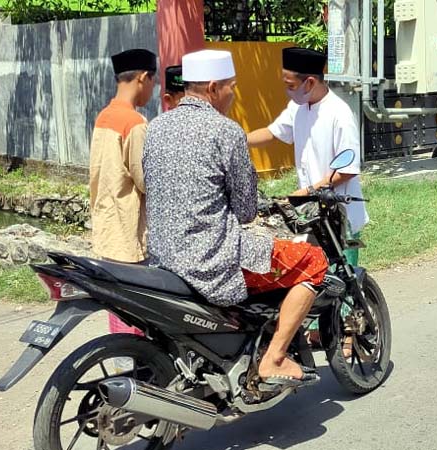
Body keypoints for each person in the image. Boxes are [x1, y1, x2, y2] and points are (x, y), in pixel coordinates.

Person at [143, 49, 328, 386]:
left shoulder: (156, 127)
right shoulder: (226, 132)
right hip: (211, 261)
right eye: (232, 87)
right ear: (214, 88)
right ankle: (274, 358)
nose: (233, 95)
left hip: (161, 258)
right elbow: (245, 211)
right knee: (313, 260)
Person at [247, 47, 368, 350]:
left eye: (291, 85)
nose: (288, 91)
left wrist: (307, 191)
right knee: (313, 270)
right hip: (310, 213)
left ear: (310, 82)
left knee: (343, 274)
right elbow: (273, 133)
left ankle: (350, 336)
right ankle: (318, 329)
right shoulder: (299, 109)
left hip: (340, 211)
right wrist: (236, 139)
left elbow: (347, 170)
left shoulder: (339, 113)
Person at [89, 48, 156, 336]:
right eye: (153, 82)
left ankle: (121, 363)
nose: (153, 89)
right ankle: (138, 367)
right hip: (129, 233)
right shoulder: (135, 123)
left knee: (117, 308)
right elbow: (145, 180)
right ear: (142, 78)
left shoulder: (104, 117)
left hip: (106, 230)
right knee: (137, 308)